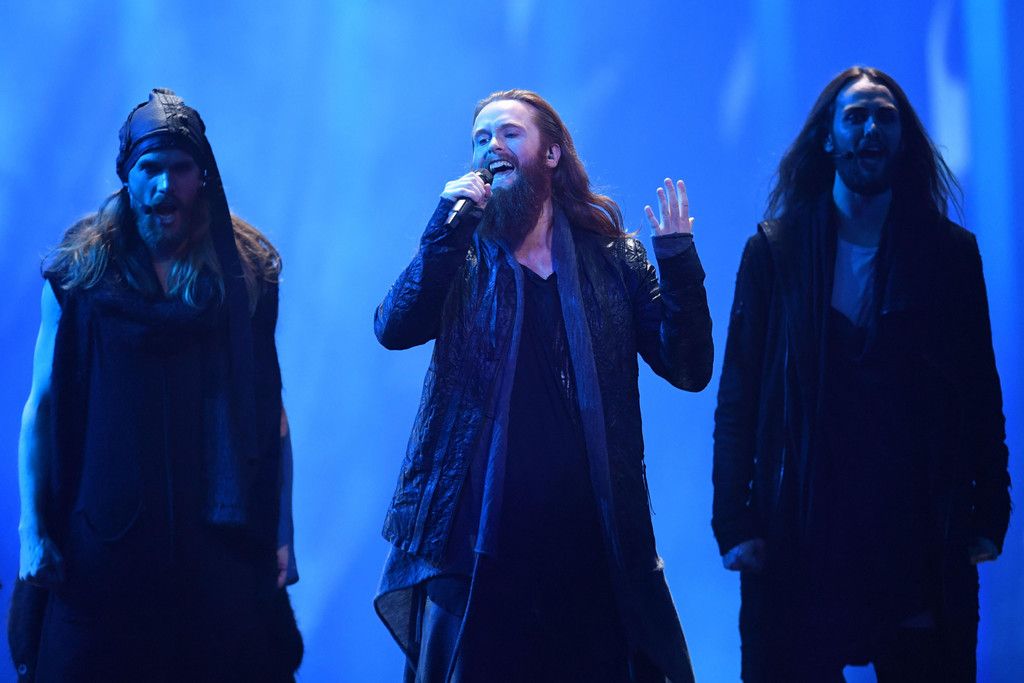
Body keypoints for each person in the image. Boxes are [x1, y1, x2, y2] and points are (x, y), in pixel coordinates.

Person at [373, 89, 714, 682]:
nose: (491, 146)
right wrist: (446, 224)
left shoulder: (613, 260)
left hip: (589, 547)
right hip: (478, 547)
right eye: (480, 138)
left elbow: (689, 369)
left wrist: (678, 261)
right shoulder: (462, 257)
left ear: (551, 154)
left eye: (509, 133)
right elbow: (394, 327)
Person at [712, 66, 1011, 681]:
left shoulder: (949, 256)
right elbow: (739, 395)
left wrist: (989, 510)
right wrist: (733, 520)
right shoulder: (775, 253)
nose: (871, 129)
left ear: (903, 138)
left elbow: (981, 391)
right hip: (804, 536)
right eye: (855, 116)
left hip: (915, 537)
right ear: (829, 137)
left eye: (885, 116)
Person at [16, 89, 301, 682]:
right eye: (150, 168)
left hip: (215, 548)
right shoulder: (80, 273)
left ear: (202, 175)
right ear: (128, 174)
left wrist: (282, 534)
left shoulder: (242, 274)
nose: (165, 186)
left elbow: (267, 409)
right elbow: (41, 406)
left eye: (180, 168)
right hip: (104, 544)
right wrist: (33, 531)